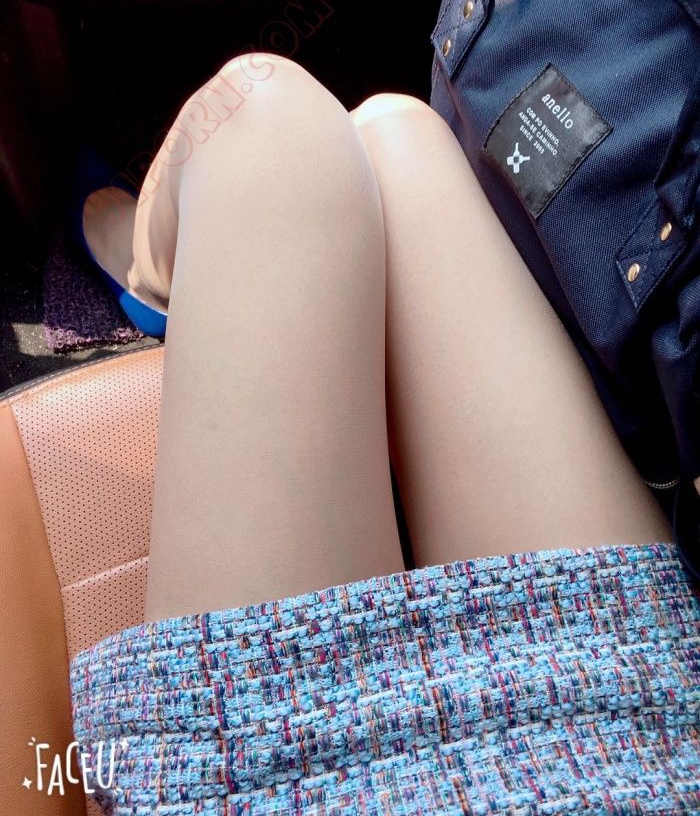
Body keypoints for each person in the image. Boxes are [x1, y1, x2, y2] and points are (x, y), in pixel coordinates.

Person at [70, 51, 700, 813]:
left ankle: (152, 274)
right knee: (397, 126)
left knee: (261, 104)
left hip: (299, 772)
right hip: (637, 735)